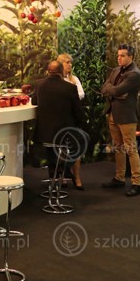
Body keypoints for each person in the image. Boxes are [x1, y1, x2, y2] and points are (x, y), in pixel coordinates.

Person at [32, 60, 85, 188]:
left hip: (44, 133)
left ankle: (54, 176)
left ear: (48, 71)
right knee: (83, 140)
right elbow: (78, 112)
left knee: (51, 149)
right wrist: (79, 125)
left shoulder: (39, 84)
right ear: (61, 72)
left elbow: (34, 101)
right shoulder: (70, 88)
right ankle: (64, 170)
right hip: (64, 133)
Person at [101, 44, 140, 197]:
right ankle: (119, 178)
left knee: (131, 149)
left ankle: (136, 183)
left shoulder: (135, 74)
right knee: (118, 147)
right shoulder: (116, 70)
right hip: (113, 113)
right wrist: (114, 91)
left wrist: (113, 90)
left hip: (126, 116)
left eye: (122, 55)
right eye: (118, 55)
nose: (119, 58)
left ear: (131, 57)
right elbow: (104, 88)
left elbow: (116, 90)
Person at [57, 53, 85, 188]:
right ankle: (61, 176)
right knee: (61, 148)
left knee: (76, 147)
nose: (70, 65)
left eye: (70, 62)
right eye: (67, 62)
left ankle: (77, 177)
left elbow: (81, 94)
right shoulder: (56, 81)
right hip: (60, 119)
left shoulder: (74, 79)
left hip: (73, 118)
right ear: (60, 64)